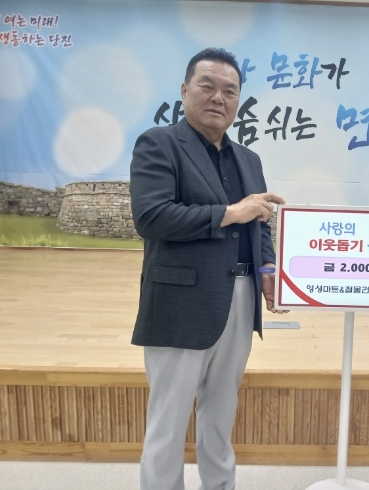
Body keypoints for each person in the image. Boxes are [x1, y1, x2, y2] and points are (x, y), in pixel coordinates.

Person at [130, 48, 286, 490]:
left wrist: (267, 266)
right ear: (185, 91)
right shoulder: (159, 143)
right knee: (169, 421)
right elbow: (152, 217)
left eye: (229, 91)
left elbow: (259, 221)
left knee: (220, 413)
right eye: (207, 86)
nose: (218, 97)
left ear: (238, 101)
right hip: (180, 302)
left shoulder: (249, 159)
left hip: (240, 299)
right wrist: (229, 213)